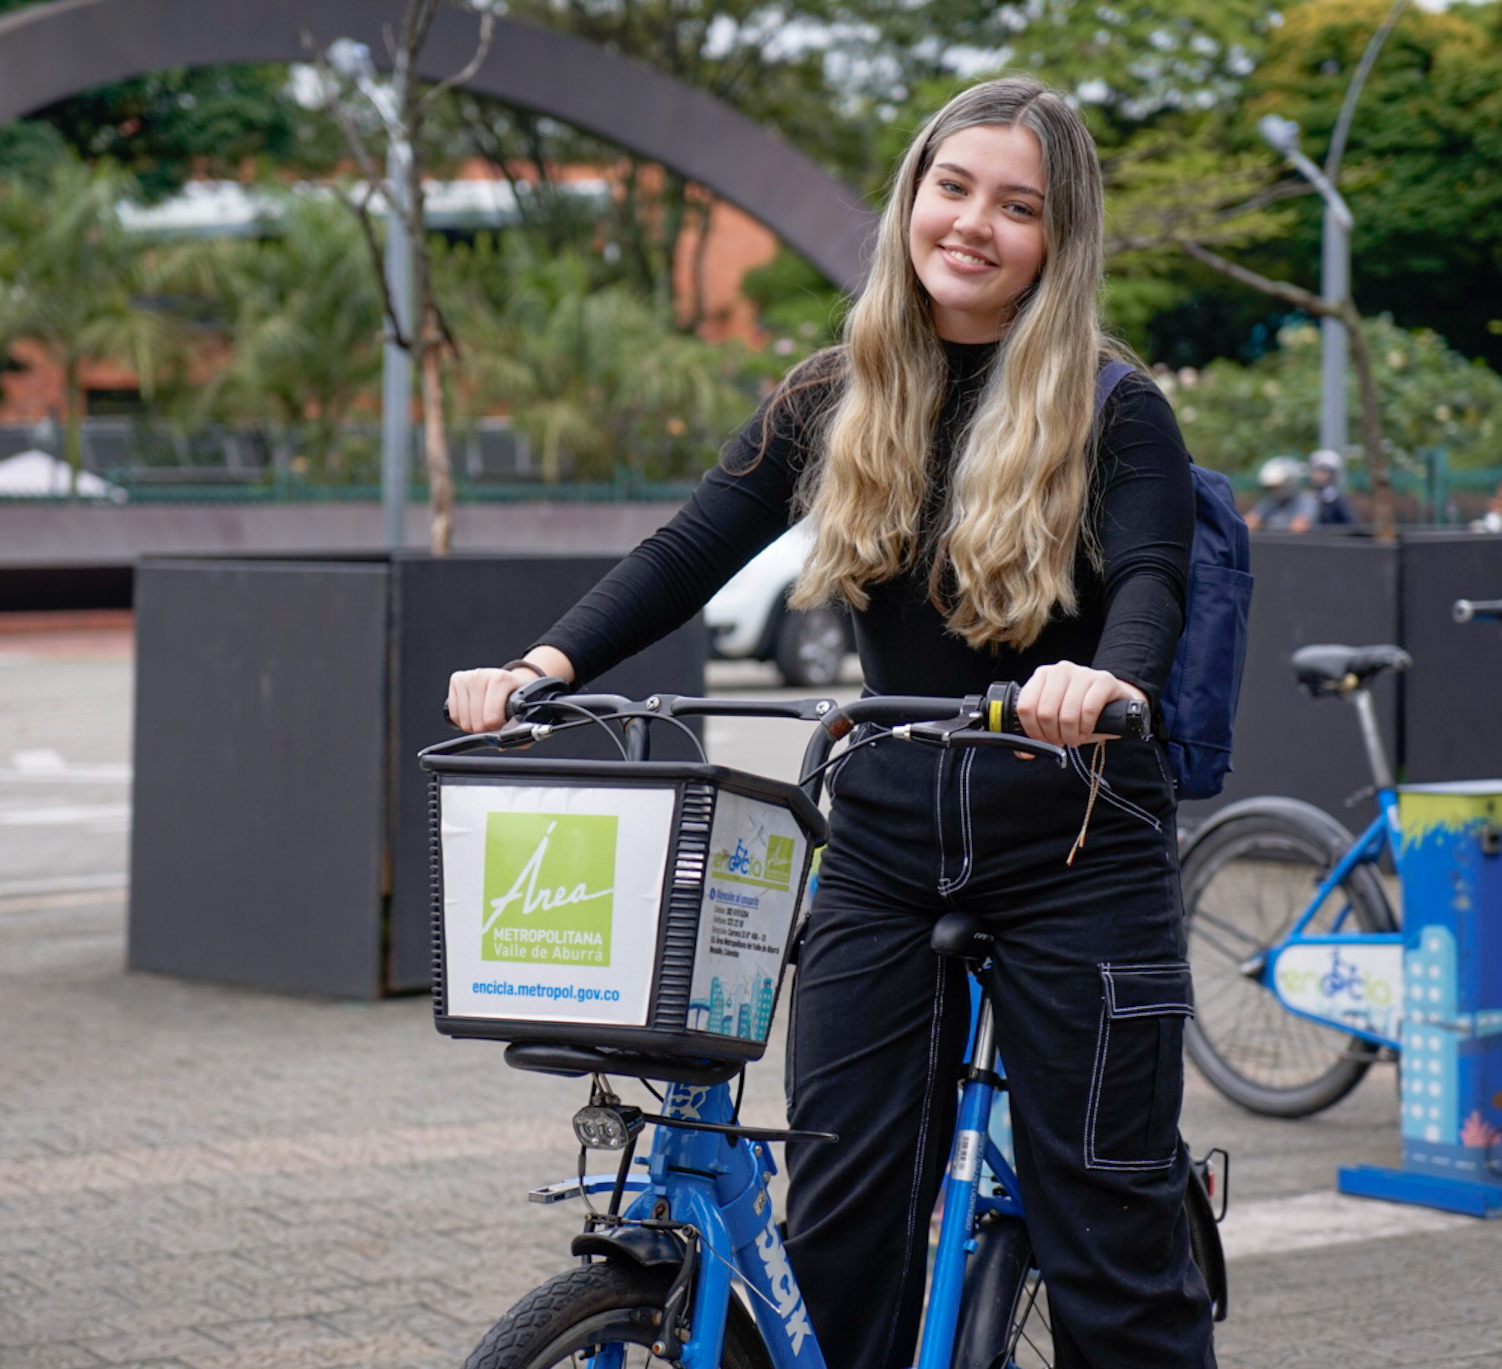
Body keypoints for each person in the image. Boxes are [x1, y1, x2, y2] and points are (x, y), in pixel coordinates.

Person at [447, 75, 1213, 1369]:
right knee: (844, 1210)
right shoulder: (833, 391)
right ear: (912, 196)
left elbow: (1153, 578)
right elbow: (692, 545)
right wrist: (544, 661)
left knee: (1109, 1219)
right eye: (951, 187)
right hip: (887, 841)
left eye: (1016, 207)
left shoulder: (1113, 405)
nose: (972, 223)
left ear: (1056, 241)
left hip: (1077, 842)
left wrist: (1106, 685)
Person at [1246, 456, 1316, 532]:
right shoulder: (1271, 501)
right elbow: (1250, 521)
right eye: (1270, 487)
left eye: (1276, 487)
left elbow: (1300, 526)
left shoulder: (1306, 501)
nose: (1273, 491)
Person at [1308, 448, 1356, 526]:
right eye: (1316, 471)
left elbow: (1350, 525)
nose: (1318, 475)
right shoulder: (1309, 499)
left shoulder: (1339, 501)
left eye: (1324, 471)